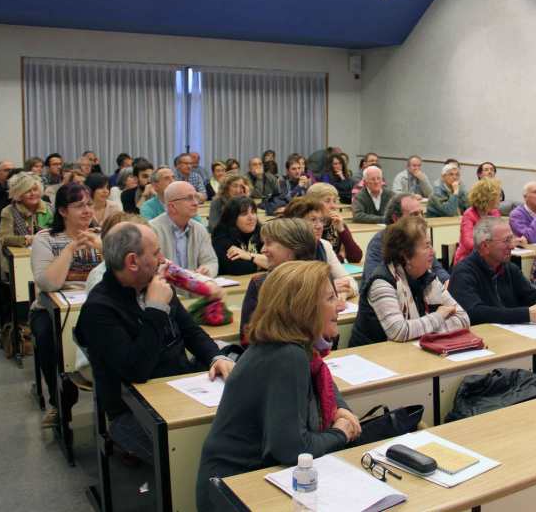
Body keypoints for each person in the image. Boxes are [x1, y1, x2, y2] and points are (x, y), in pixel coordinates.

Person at [195, 261, 359, 509]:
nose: (340, 305)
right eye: (329, 299)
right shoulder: (287, 356)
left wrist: (340, 408)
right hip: (234, 490)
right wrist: (340, 433)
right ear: (304, 309)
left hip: (248, 478)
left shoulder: (293, 347)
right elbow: (292, 449)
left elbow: (324, 382)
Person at [76, 222, 235, 465]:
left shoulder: (155, 283)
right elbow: (137, 369)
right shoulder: (99, 309)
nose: (163, 259)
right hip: (133, 410)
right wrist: (156, 309)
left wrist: (217, 357)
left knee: (236, 433)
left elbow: (191, 331)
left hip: (183, 386)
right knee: (191, 457)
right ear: (132, 262)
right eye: (155, 253)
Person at [30, 183, 102, 427]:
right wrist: (71, 248)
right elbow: (49, 283)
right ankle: (59, 401)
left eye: (89, 204)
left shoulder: (102, 234)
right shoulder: (46, 238)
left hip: (94, 306)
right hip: (53, 307)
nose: (87, 211)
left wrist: (101, 246)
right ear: (62, 211)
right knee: (46, 336)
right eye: (79, 205)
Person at [350, 217, 470, 346]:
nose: (433, 252)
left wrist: (423, 332)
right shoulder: (382, 282)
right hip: (373, 357)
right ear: (406, 255)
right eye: (426, 246)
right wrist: (439, 316)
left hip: (410, 354)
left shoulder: (428, 277)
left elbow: (463, 318)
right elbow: (399, 331)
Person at [449, 217, 536, 325]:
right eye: (506, 241)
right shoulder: (463, 272)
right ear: (485, 246)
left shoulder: (510, 268)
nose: (512, 246)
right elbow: (474, 313)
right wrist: (526, 314)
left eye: (512, 239)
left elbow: (534, 295)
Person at [239, 218, 318, 344]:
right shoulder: (260, 283)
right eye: (263, 243)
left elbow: (330, 333)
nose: (262, 250)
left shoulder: (320, 280)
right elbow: (247, 338)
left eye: (269, 243)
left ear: (292, 247)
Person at [363, 193, 450, 283]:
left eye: (422, 214)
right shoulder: (379, 242)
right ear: (396, 219)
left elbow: (436, 268)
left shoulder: (420, 239)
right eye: (414, 215)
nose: (422, 220)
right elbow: (373, 280)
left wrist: (446, 281)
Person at [282, 197, 358, 299]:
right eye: (313, 220)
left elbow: (351, 283)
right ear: (296, 223)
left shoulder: (324, 245)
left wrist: (342, 294)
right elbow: (289, 294)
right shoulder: (283, 248)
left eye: (321, 220)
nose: (319, 226)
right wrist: (329, 289)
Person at [150, 181, 219, 277]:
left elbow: (211, 261)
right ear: (172, 206)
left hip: (194, 288)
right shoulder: (152, 231)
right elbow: (149, 269)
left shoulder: (199, 229)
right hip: (165, 289)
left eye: (196, 197)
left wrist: (206, 270)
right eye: (189, 198)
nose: (195, 203)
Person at [453, 178, 509, 266]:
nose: (500, 199)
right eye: (498, 196)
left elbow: (501, 235)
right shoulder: (469, 214)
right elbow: (468, 243)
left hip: (490, 259)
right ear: (488, 198)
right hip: (468, 261)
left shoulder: (495, 212)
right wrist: (491, 246)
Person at [211, 197, 269, 275]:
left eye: (253, 212)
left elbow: (277, 260)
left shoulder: (261, 231)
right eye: (244, 214)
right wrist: (263, 263)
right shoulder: (221, 234)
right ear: (233, 218)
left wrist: (249, 256)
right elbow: (236, 268)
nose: (251, 218)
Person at [307, 183, 362, 263]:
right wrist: (341, 257)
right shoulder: (308, 226)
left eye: (334, 201)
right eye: (327, 201)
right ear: (313, 203)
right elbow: (318, 261)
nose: (333, 206)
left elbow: (356, 257)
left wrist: (342, 230)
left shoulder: (337, 222)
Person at [0, 172, 54, 247]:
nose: (32, 193)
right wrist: (25, 239)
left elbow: (62, 233)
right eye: (27, 191)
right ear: (19, 194)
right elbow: (4, 239)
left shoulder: (50, 208)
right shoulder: (9, 211)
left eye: (35, 189)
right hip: (23, 254)